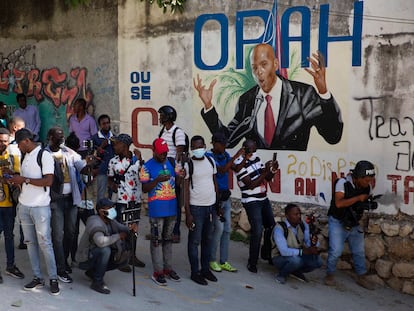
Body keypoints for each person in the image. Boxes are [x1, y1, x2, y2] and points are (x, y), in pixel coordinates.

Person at [193, 43, 343, 151]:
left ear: (276, 64)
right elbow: (227, 141)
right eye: (254, 67)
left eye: (264, 64)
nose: (259, 71)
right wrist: (208, 106)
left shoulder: (302, 94)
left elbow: (333, 136)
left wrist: (323, 92)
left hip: (293, 178)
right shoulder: (247, 100)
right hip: (257, 181)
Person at [8, 128, 60, 295]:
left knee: (45, 243)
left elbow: (48, 180)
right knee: (30, 243)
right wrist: (15, 178)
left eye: (20, 145)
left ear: (26, 141)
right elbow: (26, 181)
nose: (19, 148)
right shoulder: (26, 156)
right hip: (24, 206)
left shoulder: (44, 155)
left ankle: (53, 278)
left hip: (40, 207)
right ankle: (37, 277)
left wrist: (24, 179)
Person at [45, 126, 95, 284]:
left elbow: (82, 167)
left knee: (71, 233)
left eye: (62, 137)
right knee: (58, 235)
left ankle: (64, 260)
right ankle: (60, 268)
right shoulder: (44, 154)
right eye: (59, 137)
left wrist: (89, 164)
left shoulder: (67, 152)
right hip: (55, 200)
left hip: (71, 199)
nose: (62, 139)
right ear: (51, 137)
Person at [324, 160, 377, 290]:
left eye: (370, 179)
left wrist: (367, 204)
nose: (368, 183)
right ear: (358, 177)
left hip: (353, 221)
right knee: (335, 251)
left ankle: (361, 276)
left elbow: (359, 205)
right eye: (366, 180)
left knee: (359, 252)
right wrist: (359, 199)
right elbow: (339, 203)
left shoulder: (366, 187)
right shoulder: (342, 183)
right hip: (337, 220)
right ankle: (329, 275)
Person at [139, 138, 182, 286]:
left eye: (165, 153)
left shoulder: (171, 162)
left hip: (171, 207)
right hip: (157, 209)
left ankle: (168, 268)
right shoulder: (147, 167)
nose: (163, 155)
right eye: (161, 153)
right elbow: (144, 188)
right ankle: (158, 271)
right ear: (154, 151)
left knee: (168, 239)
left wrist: (181, 176)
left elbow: (178, 180)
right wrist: (157, 180)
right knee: (156, 241)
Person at [234, 139, 278, 273]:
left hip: (263, 198)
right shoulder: (238, 164)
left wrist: (272, 170)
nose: (253, 153)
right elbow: (250, 184)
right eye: (251, 150)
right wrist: (265, 171)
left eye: (254, 150)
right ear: (244, 149)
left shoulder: (256, 158)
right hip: (251, 201)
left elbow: (267, 178)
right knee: (257, 231)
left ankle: (266, 253)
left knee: (271, 226)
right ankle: (252, 262)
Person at [76, 198, 136, 294]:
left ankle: (93, 272)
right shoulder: (94, 222)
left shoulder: (109, 219)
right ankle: (97, 282)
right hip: (85, 258)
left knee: (121, 256)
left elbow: (122, 228)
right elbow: (100, 242)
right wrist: (118, 236)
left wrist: (130, 229)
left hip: (94, 254)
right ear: (101, 211)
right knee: (105, 250)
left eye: (112, 207)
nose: (112, 210)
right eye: (109, 208)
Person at [184, 135, 218, 285]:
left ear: (204, 146)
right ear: (191, 148)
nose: (198, 149)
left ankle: (205, 269)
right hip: (196, 208)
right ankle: (195, 272)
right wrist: (188, 213)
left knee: (208, 240)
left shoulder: (210, 161)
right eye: (195, 147)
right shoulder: (188, 165)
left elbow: (214, 181)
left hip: (210, 207)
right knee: (194, 241)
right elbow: (185, 190)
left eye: (200, 146)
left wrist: (217, 204)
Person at [107, 133, 145, 270]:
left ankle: (132, 256)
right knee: (123, 228)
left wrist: (140, 161)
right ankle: (122, 257)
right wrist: (112, 185)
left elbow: (144, 176)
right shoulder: (113, 161)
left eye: (116, 144)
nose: (114, 146)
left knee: (134, 228)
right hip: (121, 201)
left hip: (135, 199)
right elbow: (110, 179)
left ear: (124, 145)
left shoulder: (137, 160)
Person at [206, 132, 243, 273]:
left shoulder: (225, 155)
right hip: (216, 197)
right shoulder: (209, 157)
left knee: (227, 230)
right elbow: (221, 171)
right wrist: (235, 156)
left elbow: (236, 168)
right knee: (219, 229)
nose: (224, 147)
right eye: (222, 144)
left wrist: (244, 157)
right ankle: (211, 260)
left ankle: (224, 261)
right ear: (214, 144)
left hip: (226, 196)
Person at [158, 105, 187, 243]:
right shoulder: (163, 132)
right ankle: (165, 231)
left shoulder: (178, 132)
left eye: (162, 114)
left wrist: (177, 175)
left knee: (175, 203)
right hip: (163, 170)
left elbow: (179, 154)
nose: (160, 117)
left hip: (173, 171)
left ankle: (175, 232)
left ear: (168, 116)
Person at [272, 203, 322, 284]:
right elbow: (283, 251)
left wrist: (314, 243)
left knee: (317, 261)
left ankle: (295, 271)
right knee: (296, 260)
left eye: (299, 214)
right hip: (279, 257)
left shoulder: (302, 225)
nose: (299, 216)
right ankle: (281, 275)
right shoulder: (280, 228)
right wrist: (303, 252)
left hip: (297, 254)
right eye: (295, 214)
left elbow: (308, 242)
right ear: (287, 216)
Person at [0, 128, 25, 283]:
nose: (3, 144)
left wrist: (12, 178)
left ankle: (10, 266)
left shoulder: (13, 156)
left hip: (9, 204)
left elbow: (18, 176)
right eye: (0, 141)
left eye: (5, 141)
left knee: (9, 236)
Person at [7, 116, 26, 249]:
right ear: (15, 128)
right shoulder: (7, 143)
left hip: (21, 181)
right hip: (10, 182)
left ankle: (23, 239)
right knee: (10, 212)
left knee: (22, 211)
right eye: (22, 128)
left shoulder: (23, 144)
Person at [91, 114, 115, 201]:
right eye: (104, 123)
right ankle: (100, 212)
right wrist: (101, 146)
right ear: (100, 125)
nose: (106, 125)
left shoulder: (114, 137)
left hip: (114, 170)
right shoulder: (94, 138)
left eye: (108, 123)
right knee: (101, 193)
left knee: (113, 193)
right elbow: (91, 155)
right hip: (101, 170)